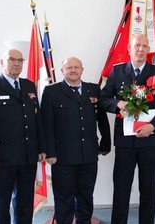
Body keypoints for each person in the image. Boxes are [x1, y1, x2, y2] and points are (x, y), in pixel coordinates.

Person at [99, 34, 155, 224]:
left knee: (148, 189)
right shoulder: (117, 72)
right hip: (125, 142)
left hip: (150, 140)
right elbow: (103, 99)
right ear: (129, 49)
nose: (140, 49)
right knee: (122, 187)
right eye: (137, 45)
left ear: (149, 50)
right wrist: (118, 103)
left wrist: (153, 126)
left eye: (144, 46)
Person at [41, 57, 111, 223]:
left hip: (88, 154)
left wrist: (106, 143)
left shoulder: (93, 90)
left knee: (86, 194)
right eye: (69, 67)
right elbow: (46, 124)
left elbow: (101, 118)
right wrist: (50, 152)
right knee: (64, 197)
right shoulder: (52, 92)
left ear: (82, 70)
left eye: (76, 67)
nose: (73, 70)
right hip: (62, 156)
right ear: (62, 71)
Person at [0, 48, 46, 224]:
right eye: (12, 59)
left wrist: (41, 148)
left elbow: (36, 119)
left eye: (20, 60)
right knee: (1, 205)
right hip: (2, 158)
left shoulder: (28, 85)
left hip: (27, 156)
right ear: (2, 62)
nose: (17, 63)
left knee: (25, 203)